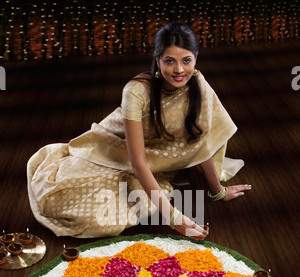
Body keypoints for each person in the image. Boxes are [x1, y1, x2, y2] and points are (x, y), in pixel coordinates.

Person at [27, 22, 251, 239]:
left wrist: (218, 191)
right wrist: (174, 217)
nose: (179, 69)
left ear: (195, 59)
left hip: (158, 161)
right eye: (169, 61)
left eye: (186, 60)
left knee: (118, 213)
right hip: (110, 149)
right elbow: (138, 163)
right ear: (157, 60)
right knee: (70, 208)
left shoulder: (198, 84)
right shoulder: (136, 92)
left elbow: (201, 143)